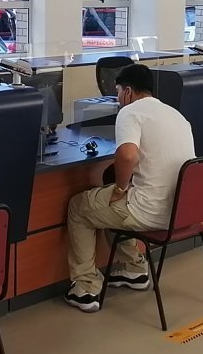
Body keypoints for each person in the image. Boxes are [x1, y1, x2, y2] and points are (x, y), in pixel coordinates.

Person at [64, 64, 195, 313]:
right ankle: (134, 269)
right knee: (107, 200)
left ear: (127, 91)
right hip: (180, 212)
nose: (117, 99)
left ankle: (85, 287)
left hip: (148, 211)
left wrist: (120, 189)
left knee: (79, 207)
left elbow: (127, 155)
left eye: (117, 92)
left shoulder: (130, 112)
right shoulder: (176, 115)